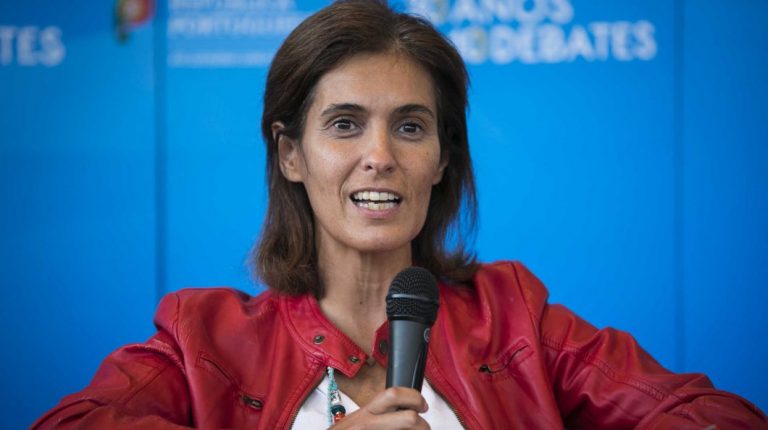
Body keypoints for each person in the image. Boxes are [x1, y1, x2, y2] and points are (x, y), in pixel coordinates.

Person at [33, 1, 767, 429]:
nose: (380, 156)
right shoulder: (205, 339)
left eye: (410, 127)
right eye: (345, 125)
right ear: (291, 155)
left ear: (442, 159)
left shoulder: (515, 319)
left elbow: (712, 416)